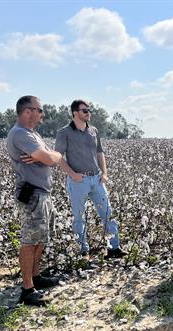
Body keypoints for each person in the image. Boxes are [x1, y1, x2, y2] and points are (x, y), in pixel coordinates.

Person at [6, 95, 63, 306]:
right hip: (32, 194)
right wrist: (48, 156)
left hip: (42, 193)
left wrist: (50, 155)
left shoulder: (33, 134)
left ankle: (36, 277)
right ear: (27, 111)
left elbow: (55, 157)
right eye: (40, 110)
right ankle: (27, 289)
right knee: (30, 241)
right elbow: (50, 159)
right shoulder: (20, 134)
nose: (43, 114)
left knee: (40, 238)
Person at [55, 99, 127, 259]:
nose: (89, 113)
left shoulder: (93, 130)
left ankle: (114, 248)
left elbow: (100, 152)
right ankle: (83, 251)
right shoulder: (64, 132)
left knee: (107, 212)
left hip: (97, 179)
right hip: (78, 181)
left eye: (89, 110)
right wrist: (72, 174)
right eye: (84, 110)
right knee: (79, 216)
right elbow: (58, 157)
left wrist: (105, 173)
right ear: (75, 113)